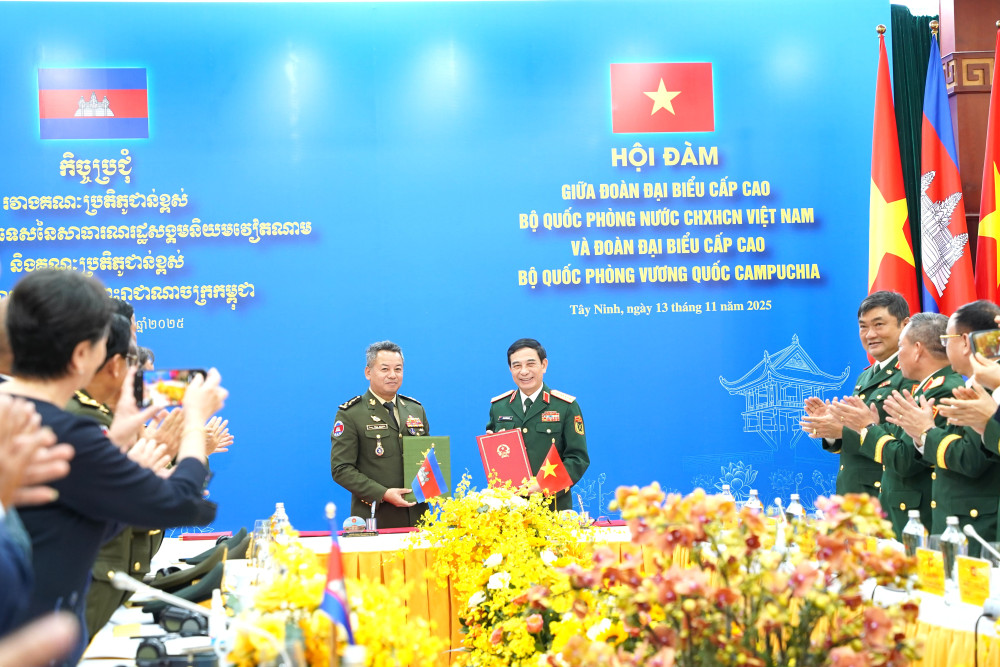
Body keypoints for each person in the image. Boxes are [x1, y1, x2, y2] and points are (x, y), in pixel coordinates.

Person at [2, 269, 225, 666]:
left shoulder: (25, 416)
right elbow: (184, 503)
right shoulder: (65, 430)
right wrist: (194, 421)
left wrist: (118, 447)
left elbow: (64, 522)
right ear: (81, 356)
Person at [881, 300, 1000, 545]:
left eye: (947, 340)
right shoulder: (976, 385)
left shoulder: (986, 388)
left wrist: (925, 432)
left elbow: (971, 458)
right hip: (958, 521)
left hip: (975, 526)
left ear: (965, 341)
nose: (944, 348)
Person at [828, 313, 950, 539]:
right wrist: (859, 427)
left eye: (901, 347)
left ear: (917, 349)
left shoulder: (939, 389)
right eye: (863, 326)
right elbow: (897, 433)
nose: (870, 334)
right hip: (889, 501)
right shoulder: (870, 376)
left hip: (912, 507)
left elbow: (907, 457)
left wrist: (865, 427)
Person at [801, 291, 912, 497]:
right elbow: (857, 441)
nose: (870, 335)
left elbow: (907, 437)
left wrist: (844, 431)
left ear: (905, 325)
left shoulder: (911, 372)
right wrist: (831, 429)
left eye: (879, 325)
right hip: (855, 495)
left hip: (885, 494)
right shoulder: (866, 375)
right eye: (863, 327)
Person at [331, 341, 429, 529]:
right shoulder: (351, 414)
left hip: (418, 517)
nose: (392, 375)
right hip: (376, 517)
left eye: (398, 369)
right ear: (368, 372)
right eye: (385, 369)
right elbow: (341, 469)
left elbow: (426, 460)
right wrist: (382, 493)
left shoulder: (416, 409)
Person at [485, 338, 589, 511]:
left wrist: (545, 484)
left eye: (530, 364)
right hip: (510, 509)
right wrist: (491, 448)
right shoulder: (499, 407)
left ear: (544, 365)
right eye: (517, 366)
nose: (524, 371)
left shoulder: (565, 406)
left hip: (552, 507)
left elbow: (578, 459)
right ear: (510, 369)